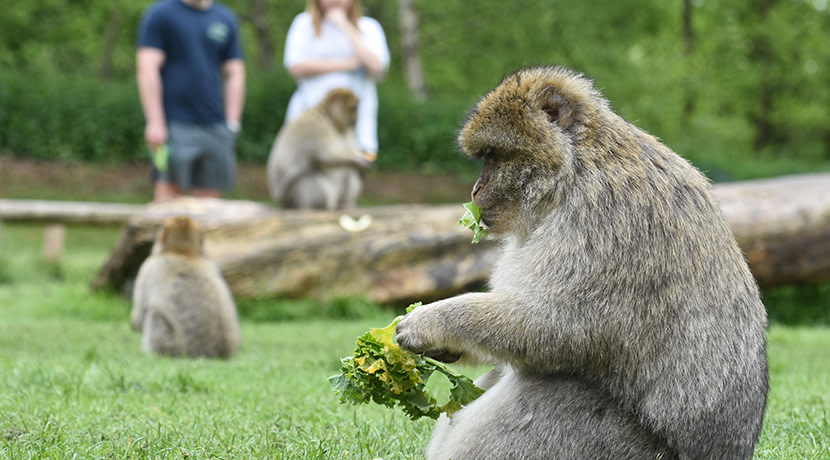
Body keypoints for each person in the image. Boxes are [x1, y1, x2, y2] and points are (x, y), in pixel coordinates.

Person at [136, 0, 246, 202]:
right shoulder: (161, 14)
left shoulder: (225, 18)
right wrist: (155, 121)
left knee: (211, 205)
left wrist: (232, 123)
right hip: (174, 124)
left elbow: (234, 73)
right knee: (170, 201)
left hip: (216, 125)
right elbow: (147, 68)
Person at [283, 0, 390, 162]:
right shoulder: (304, 24)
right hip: (310, 118)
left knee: (350, 175)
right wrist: (349, 64)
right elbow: (295, 65)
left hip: (357, 124)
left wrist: (344, 25)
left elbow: (376, 66)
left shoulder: (369, 27)